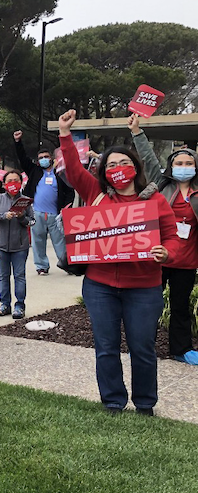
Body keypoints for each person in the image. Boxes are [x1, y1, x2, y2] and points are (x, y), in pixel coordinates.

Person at [58, 109, 179, 416]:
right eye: (111, 164)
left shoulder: (155, 200)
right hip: (100, 287)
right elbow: (73, 170)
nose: (118, 168)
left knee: (142, 349)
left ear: (135, 167)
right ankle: (113, 401)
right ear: (103, 171)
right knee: (106, 348)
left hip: (145, 288)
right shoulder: (96, 194)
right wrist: (65, 134)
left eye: (124, 162)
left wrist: (167, 253)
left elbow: (172, 237)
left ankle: (145, 404)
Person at [129, 117, 198, 366]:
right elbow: (148, 157)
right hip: (159, 256)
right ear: (171, 165)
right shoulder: (161, 184)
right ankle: (140, 347)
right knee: (148, 307)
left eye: (189, 163)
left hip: (187, 261)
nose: (184, 166)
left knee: (180, 307)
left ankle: (181, 349)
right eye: (179, 162)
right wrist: (137, 131)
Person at [13, 130, 74, 276]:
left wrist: (67, 205)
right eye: (41, 158)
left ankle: (66, 263)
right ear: (37, 160)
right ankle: (41, 266)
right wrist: (18, 142)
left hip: (55, 214)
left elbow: (69, 191)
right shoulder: (34, 171)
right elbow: (22, 158)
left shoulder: (59, 173)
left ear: (51, 158)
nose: (44, 159)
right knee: (37, 241)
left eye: (46, 157)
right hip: (37, 213)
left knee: (59, 241)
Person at [0, 170, 34, 319]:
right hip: (0, 245)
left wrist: (21, 217)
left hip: (20, 246)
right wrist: (3, 216)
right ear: (5, 184)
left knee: (19, 276)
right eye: (10, 181)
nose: (13, 184)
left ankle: (19, 306)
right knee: (3, 276)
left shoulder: (25, 200)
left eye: (16, 180)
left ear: (20, 183)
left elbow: (32, 221)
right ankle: (5, 304)